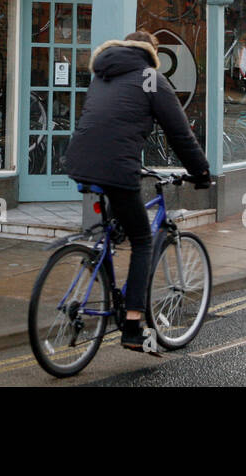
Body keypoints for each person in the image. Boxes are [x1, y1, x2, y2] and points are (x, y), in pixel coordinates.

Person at [62, 30, 211, 353]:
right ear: (151, 52)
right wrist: (201, 170)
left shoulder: (102, 75)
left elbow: (107, 122)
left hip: (80, 161)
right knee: (143, 240)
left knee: (117, 223)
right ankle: (132, 325)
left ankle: (103, 257)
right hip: (115, 166)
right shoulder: (150, 78)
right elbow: (179, 133)